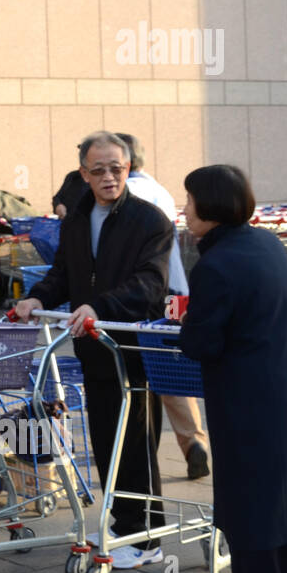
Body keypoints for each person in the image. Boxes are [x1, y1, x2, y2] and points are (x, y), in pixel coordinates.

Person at [176, 165, 287, 573]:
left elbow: (201, 344)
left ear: (210, 206)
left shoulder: (216, 264)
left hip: (248, 409)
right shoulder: (267, 243)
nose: (185, 209)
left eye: (189, 200)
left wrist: (185, 325)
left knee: (254, 520)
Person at [15, 130, 171, 570]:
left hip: (133, 348)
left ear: (128, 169)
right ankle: (123, 526)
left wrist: (98, 306)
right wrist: (37, 299)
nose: (108, 177)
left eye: (116, 169)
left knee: (135, 440)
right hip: (94, 348)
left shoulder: (149, 221)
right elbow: (63, 273)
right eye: (98, 170)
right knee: (105, 438)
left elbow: (150, 284)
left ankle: (147, 536)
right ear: (83, 173)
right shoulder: (79, 220)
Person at [115, 132, 210, 481]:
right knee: (171, 367)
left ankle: (138, 451)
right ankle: (193, 442)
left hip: (143, 293)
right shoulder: (161, 191)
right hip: (175, 292)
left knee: (139, 373)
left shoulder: (126, 197)